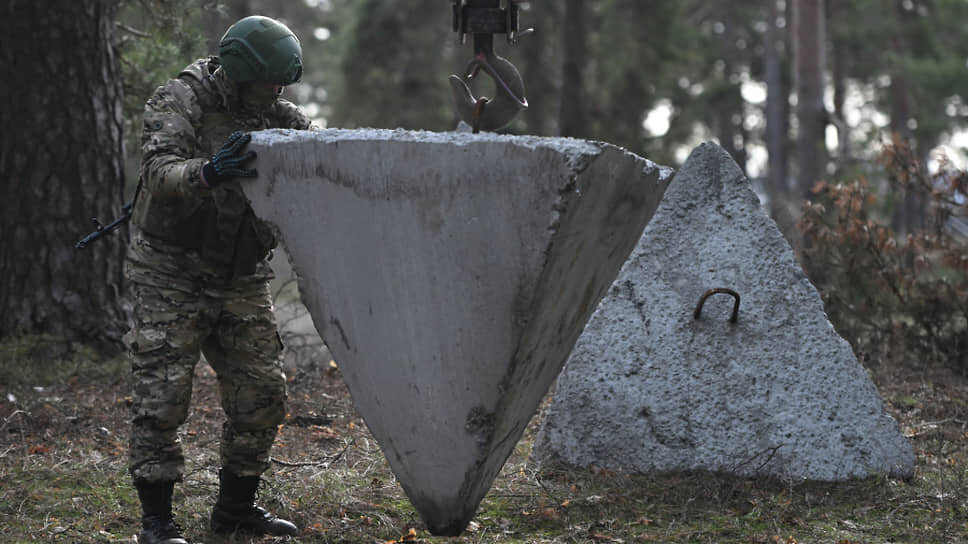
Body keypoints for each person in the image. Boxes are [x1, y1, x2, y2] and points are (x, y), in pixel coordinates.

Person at [123, 15, 313, 544]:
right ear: (238, 72)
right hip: (170, 270)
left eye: (282, 85)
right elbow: (158, 170)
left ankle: (235, 509)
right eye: (269, 81)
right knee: (161, 399)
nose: (277, 93)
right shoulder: (181, 99)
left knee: (261, 393)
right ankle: (157, 524)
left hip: (241, 273)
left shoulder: (279, 115)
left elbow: (324, 158)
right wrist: (207, 172)